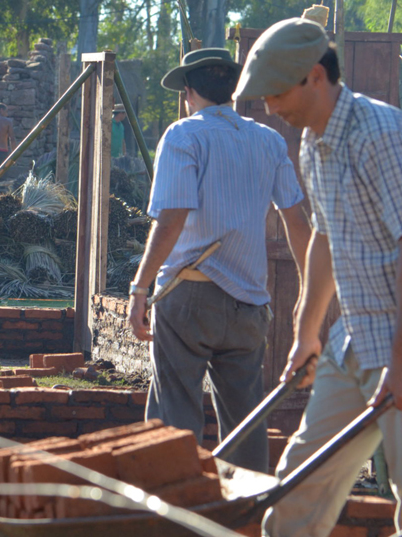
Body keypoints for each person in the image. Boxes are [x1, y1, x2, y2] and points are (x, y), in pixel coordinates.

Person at [232, 18, 402, 536]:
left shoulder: (384, 135)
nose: (270, 106)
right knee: (297, 487)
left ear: (316, 77)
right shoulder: (313, 144)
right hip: (355, 338)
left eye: (275, 92)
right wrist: (307, 333)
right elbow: (323, 238)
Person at [126, 48, 311, 473]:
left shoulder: (183, 135)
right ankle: (246, 516)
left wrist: (140, 288)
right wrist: (308, 294)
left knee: (174, 415)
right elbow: (297, 222)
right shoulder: (269, 140)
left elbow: (171, 220)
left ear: (188, 92)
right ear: (235, 90)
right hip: (250, 302)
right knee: (246, 423)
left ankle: (176, 510)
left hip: (189, 295)